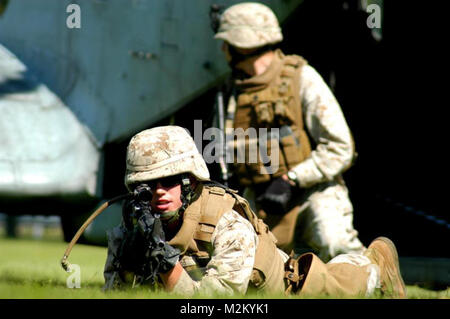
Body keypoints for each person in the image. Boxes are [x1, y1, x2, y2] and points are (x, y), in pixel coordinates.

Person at [103, 125, 406, 298]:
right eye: (147, 185)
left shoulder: (226, 223)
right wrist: (131, 259)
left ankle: (374, 263)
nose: (158, 191)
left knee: (345, 287)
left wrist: (166, 264)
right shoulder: (134, 229)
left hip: (289, 289)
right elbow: (116, 294)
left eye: (168, 181)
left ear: (190, 180)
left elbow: (213, 302)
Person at [213, 2, 365, 261]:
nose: (223, 49)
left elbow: (341, 148)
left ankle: (376, 275)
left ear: (243, 43)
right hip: (261, 198)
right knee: (238, 262)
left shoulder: (302, 78)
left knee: (335, 245)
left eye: (227, 42)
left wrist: (292, 178)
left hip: (313, 192)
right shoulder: (233, 91)